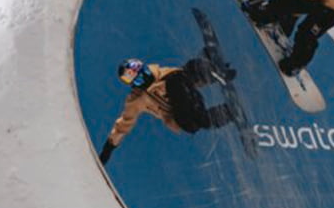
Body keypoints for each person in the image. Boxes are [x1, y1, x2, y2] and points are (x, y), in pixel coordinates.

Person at [99, 56, 236, 164]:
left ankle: (211, 68)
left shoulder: (159, 73)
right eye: (139, 80)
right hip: (181, 110)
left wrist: (211, 72)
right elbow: (122, 126)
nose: (145, 78)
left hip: (183, 84)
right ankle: (229, 112)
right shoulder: (137, 100)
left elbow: (186, 78)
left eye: (144, 73)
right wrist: (107, 150)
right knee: (194, 124)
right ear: (135, 84)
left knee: (182, 74)